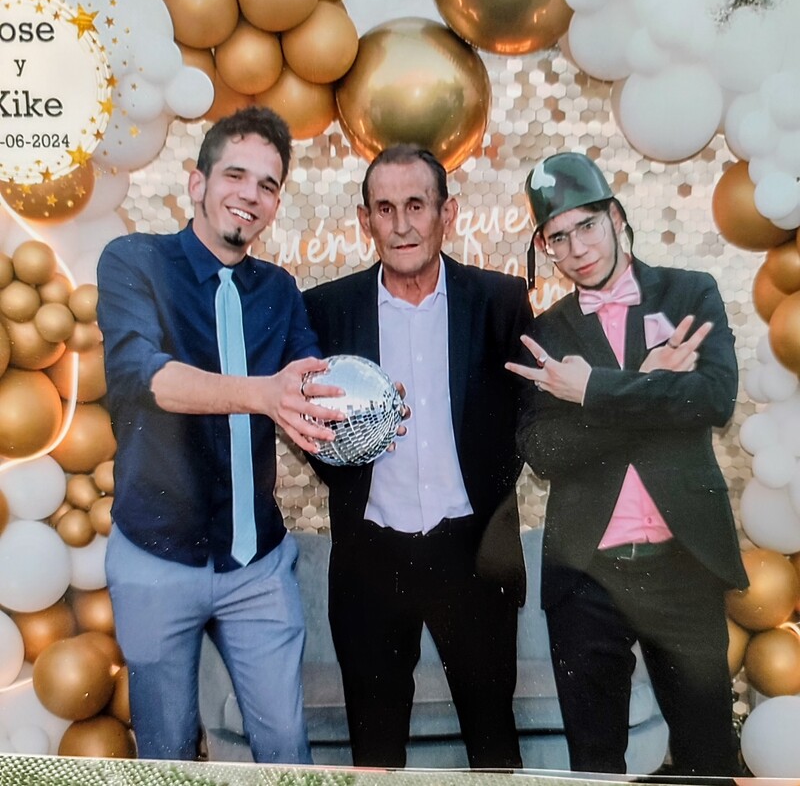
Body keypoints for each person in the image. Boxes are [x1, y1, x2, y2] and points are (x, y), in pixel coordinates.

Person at [96, 107, 344, 763]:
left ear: (276, 203)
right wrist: (261, 394)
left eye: (267, 184)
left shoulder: (279, 290)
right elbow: (143, 375)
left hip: (257, 567)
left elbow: (310, 386)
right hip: (155, 559)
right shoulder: (134, 261)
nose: (250, 194)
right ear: (196, 182)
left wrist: (369, 403)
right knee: (169, 751)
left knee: (286, 748)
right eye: (235, 174)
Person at [506, 152, 748, 776]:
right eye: (558, 237)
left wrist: (593, 390)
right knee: (595, 764)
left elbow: (712, 398)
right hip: (587, 576)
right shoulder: (547, 334)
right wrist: (648, 382)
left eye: (587, 225)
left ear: (615, 217)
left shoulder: (690, 292)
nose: (577, 248)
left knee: (707, 758)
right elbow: (544, 452)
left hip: (683, 564)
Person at [303, 145, 533, 770]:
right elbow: (305, 418)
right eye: (385, 208)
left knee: (494, 744)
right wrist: (351, 450)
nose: (401, 224)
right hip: (371, 560)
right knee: (375, 754)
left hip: (473, 557)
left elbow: (528, 414)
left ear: (446, 214)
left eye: (416, 205)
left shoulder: (499, 300)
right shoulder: (326, 308)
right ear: (365, 221)